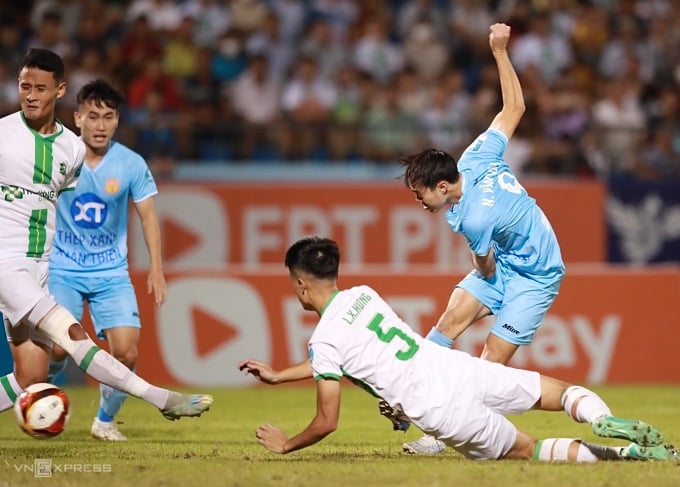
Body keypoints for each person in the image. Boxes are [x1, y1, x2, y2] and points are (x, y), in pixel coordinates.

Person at [238, 236, 676, 462]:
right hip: (458, 369)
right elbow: (344, 359)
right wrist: (280, 374)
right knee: (561, 393)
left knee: (531, 450)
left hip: (438, 408)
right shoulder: (364, 295)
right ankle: (602, 418)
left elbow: (326, 420)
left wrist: (286, 444)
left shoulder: (325, 339)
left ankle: (625, 455)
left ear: (299, 284)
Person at [0, 48, 212, 423]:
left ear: (60, 90)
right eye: (24, 87)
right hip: (7, 266)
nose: (30, 95)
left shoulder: (70, 149)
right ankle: (162, 398)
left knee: (31, 378)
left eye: (40, 88)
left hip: (40, 269)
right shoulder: (3, 135)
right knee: (73, 335)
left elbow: (58, 206)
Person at [396, 23, 566, 454]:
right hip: (509, 259)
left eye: (420, 197)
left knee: (489, 368)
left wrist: (484, 271)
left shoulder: (470, 219)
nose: (420, 204)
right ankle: (410, 395)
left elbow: (484, 267)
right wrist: (500, 50)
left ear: (441, 188)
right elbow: (515, 106)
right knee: (448, 324)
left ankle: (439, 434)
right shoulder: (476, 156)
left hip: (536, 276)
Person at [44, 78, 167, 441]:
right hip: (61, 269)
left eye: (109, 117)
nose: (101, 125)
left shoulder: (130, 163)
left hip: (111, 273)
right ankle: (45, 396)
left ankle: (104, 422)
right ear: (77, 118)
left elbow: (148, 216)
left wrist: (157, 269)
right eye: (93, 116)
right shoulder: (57, 155)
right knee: (55, 346)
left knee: (127, 353)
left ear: (117, 121)